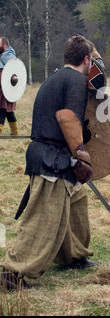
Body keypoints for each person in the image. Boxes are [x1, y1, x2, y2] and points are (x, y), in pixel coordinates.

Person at [0, 34, 100, 291]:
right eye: (91, 60)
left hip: (50, 154)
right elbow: (68, 118)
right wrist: (81, 155)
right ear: (86, 59)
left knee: (76, 203)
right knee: (44, 217)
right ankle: (12, 273)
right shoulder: (76, 79)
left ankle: (73, 256)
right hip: (52, 159)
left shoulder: (54, 78)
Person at [0, 37, 19, 135]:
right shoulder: (3, 55)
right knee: (8, 111)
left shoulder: (7, 56)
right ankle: (15, 132)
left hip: (6, 89)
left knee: (2, 110)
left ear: (5, 45)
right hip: (4, 89)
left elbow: (14, 72)